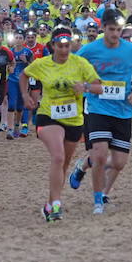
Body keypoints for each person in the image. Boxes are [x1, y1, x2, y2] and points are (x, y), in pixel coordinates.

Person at [68, 10, 132, 214]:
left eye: (118, 30)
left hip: (122, 110)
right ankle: (98, 199)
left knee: (119, 162)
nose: (115, 34)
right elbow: (72, 67)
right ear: (103, 28)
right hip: (97, 108)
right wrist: (82, 85)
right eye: (111, 29)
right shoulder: (90, 49)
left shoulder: (130, 50)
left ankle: (82, 166)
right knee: (101, 155)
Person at [22, 27, 101, 221]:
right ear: (52, 46)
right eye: (60, 46)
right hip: (49, 116)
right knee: (57, 156)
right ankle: (57, 205)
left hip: (74, 120)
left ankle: (49, 205)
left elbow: (99, 87)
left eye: (67, 46)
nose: (64, 50)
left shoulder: (80, 63)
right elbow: (24, 75)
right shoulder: (42, 64)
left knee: (64, 163)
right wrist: (25, 96)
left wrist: (85, 87)